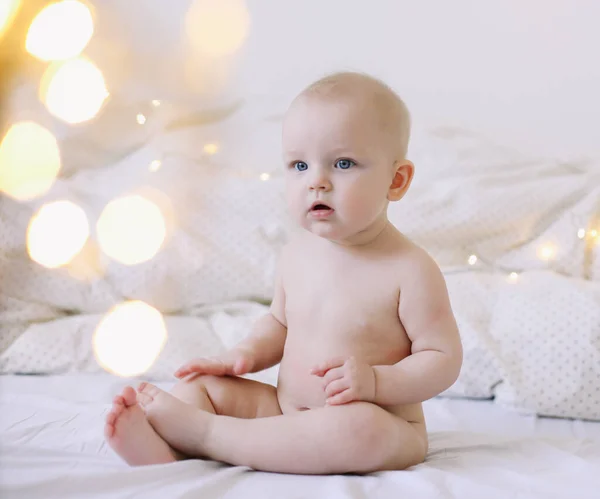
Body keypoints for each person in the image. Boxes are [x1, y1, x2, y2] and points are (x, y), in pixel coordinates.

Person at [104, 71, 463, 475]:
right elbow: (279, 323)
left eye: (343, 163)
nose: (317, 182)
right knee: (197, 388)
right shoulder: (297, 253)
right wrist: (243, 355)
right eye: (299, 164)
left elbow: (442, 358)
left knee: (360, 430)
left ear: (396, 181)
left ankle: (207, 436)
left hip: (377, 421)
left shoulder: (410, 269)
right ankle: (168, 454)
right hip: (283, 410)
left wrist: (377, 384)